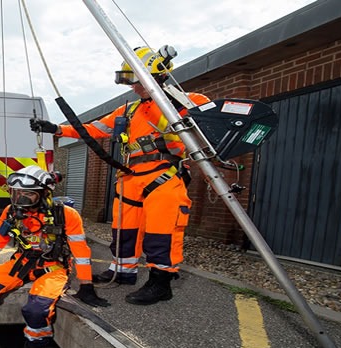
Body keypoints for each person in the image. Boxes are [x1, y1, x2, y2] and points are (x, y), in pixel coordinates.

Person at [29, 46, 210, 306]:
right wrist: (57, 129)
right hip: (130, 178)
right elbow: (94, 129)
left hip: (164, 176)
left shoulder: (184, 102)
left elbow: (205, 125)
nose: (133, 88)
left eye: (137, 82)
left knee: (162, 232)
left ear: (155, 77)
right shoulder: (129, 110)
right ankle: (123, 272)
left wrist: (172, 102)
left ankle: (161, 283)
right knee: (124, 230)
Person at [0, 165, 109, 348]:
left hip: (53, 268)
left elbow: (80, 251)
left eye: (27, 193)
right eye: (16, 192)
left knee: (35, 311)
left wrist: (86, 284)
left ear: (44, 193)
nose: (19, 198)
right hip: (21, 262)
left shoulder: (66, 215)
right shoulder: (11, 211)